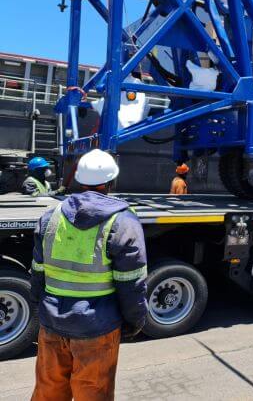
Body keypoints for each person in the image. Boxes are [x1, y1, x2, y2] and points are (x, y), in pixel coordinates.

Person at [30, 149, 148, 401]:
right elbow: (132, 283)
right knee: (93, 394)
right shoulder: (123, 222)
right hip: (97, 327)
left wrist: (43, 308)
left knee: (48, 392)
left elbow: (37, 274)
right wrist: (134, 321)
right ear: (111, 182)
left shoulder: (51, 216)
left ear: (78, 179)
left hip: (52, 323)